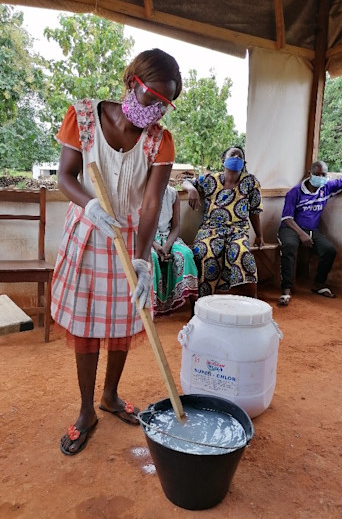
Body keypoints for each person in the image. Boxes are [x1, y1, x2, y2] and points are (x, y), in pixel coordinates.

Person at [52, 48, 182, 456]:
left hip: (129, 235)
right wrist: (89, 204)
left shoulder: (161, 142)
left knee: (127, 320)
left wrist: (142, 260)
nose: (157, 111)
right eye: (152, 98)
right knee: (89, 325)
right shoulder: (84, 117)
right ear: (132, 83)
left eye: (166, 104)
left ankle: (110, 395)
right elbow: (65, 176)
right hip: (90, 229)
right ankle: (87, 410)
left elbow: (150, 205)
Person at [182, 145, 264, 298]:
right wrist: (191, 189)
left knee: (243, 254)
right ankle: (201, 304)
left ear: (244, 163)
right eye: (233, 155)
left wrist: (259, 235)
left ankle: (251, 302)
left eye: (240, 157)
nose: (236, 158)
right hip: (210, 230)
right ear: (223, 160)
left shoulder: (250, 182)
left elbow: (254, 211)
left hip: (237, 231)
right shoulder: (210, 179)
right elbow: (186, 181)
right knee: (206, 254)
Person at [277, 160, 342, 306]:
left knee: (329, 250)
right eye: (317, 174)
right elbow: (287, 219)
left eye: (323, 174)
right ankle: (286, 290)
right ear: (310, 174)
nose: (320, 177)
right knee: (289, 246)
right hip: (291, 228)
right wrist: (302, 234)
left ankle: (319, 284)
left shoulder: (326, 187)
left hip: (312, 230)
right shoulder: (295, 192)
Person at [151, 184, 198, 315]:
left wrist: (167, 246)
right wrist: (155, 245)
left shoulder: (172, 193)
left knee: (186, 254)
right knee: (152, 257)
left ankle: (194, 305)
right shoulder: (141, 193)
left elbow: (176, 226)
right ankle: (151, 305)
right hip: (149, 239)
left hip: (168, 237)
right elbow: (139, 227)